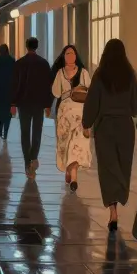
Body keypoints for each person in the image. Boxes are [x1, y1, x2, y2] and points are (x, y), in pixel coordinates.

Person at [81, 39, 137, 232]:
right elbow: (136, 107)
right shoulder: (130, 76)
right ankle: (121, 193)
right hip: (125, 127)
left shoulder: (100, 76)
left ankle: (113, 211)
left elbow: (92, 102)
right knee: (123, 165)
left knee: (108, 168)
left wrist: (86, 123)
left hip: (105, 127)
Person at [51, 45, 92, 191]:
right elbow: (55, 92)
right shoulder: (63, 73)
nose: (70, 56)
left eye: (72, 53)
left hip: (75, 115)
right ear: (64, 56)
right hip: (68, 115)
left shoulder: (81, 73)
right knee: (69, 143)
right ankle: (70, 172)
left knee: (73, 143)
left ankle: (73, 176)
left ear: (76, 56)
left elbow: (56, 93)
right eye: (67, 53)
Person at [11, 37, 53, 175]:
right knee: (37, 132)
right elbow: (48, 86)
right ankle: (34, 156)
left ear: (26, 46)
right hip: (38, 104)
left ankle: (27, 162)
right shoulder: (44, 64)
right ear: (37, 46)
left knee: (24, 133)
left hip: (23, 104)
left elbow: (15, 85)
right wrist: (48, 105)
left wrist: (13, 103)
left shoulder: (19, 64)